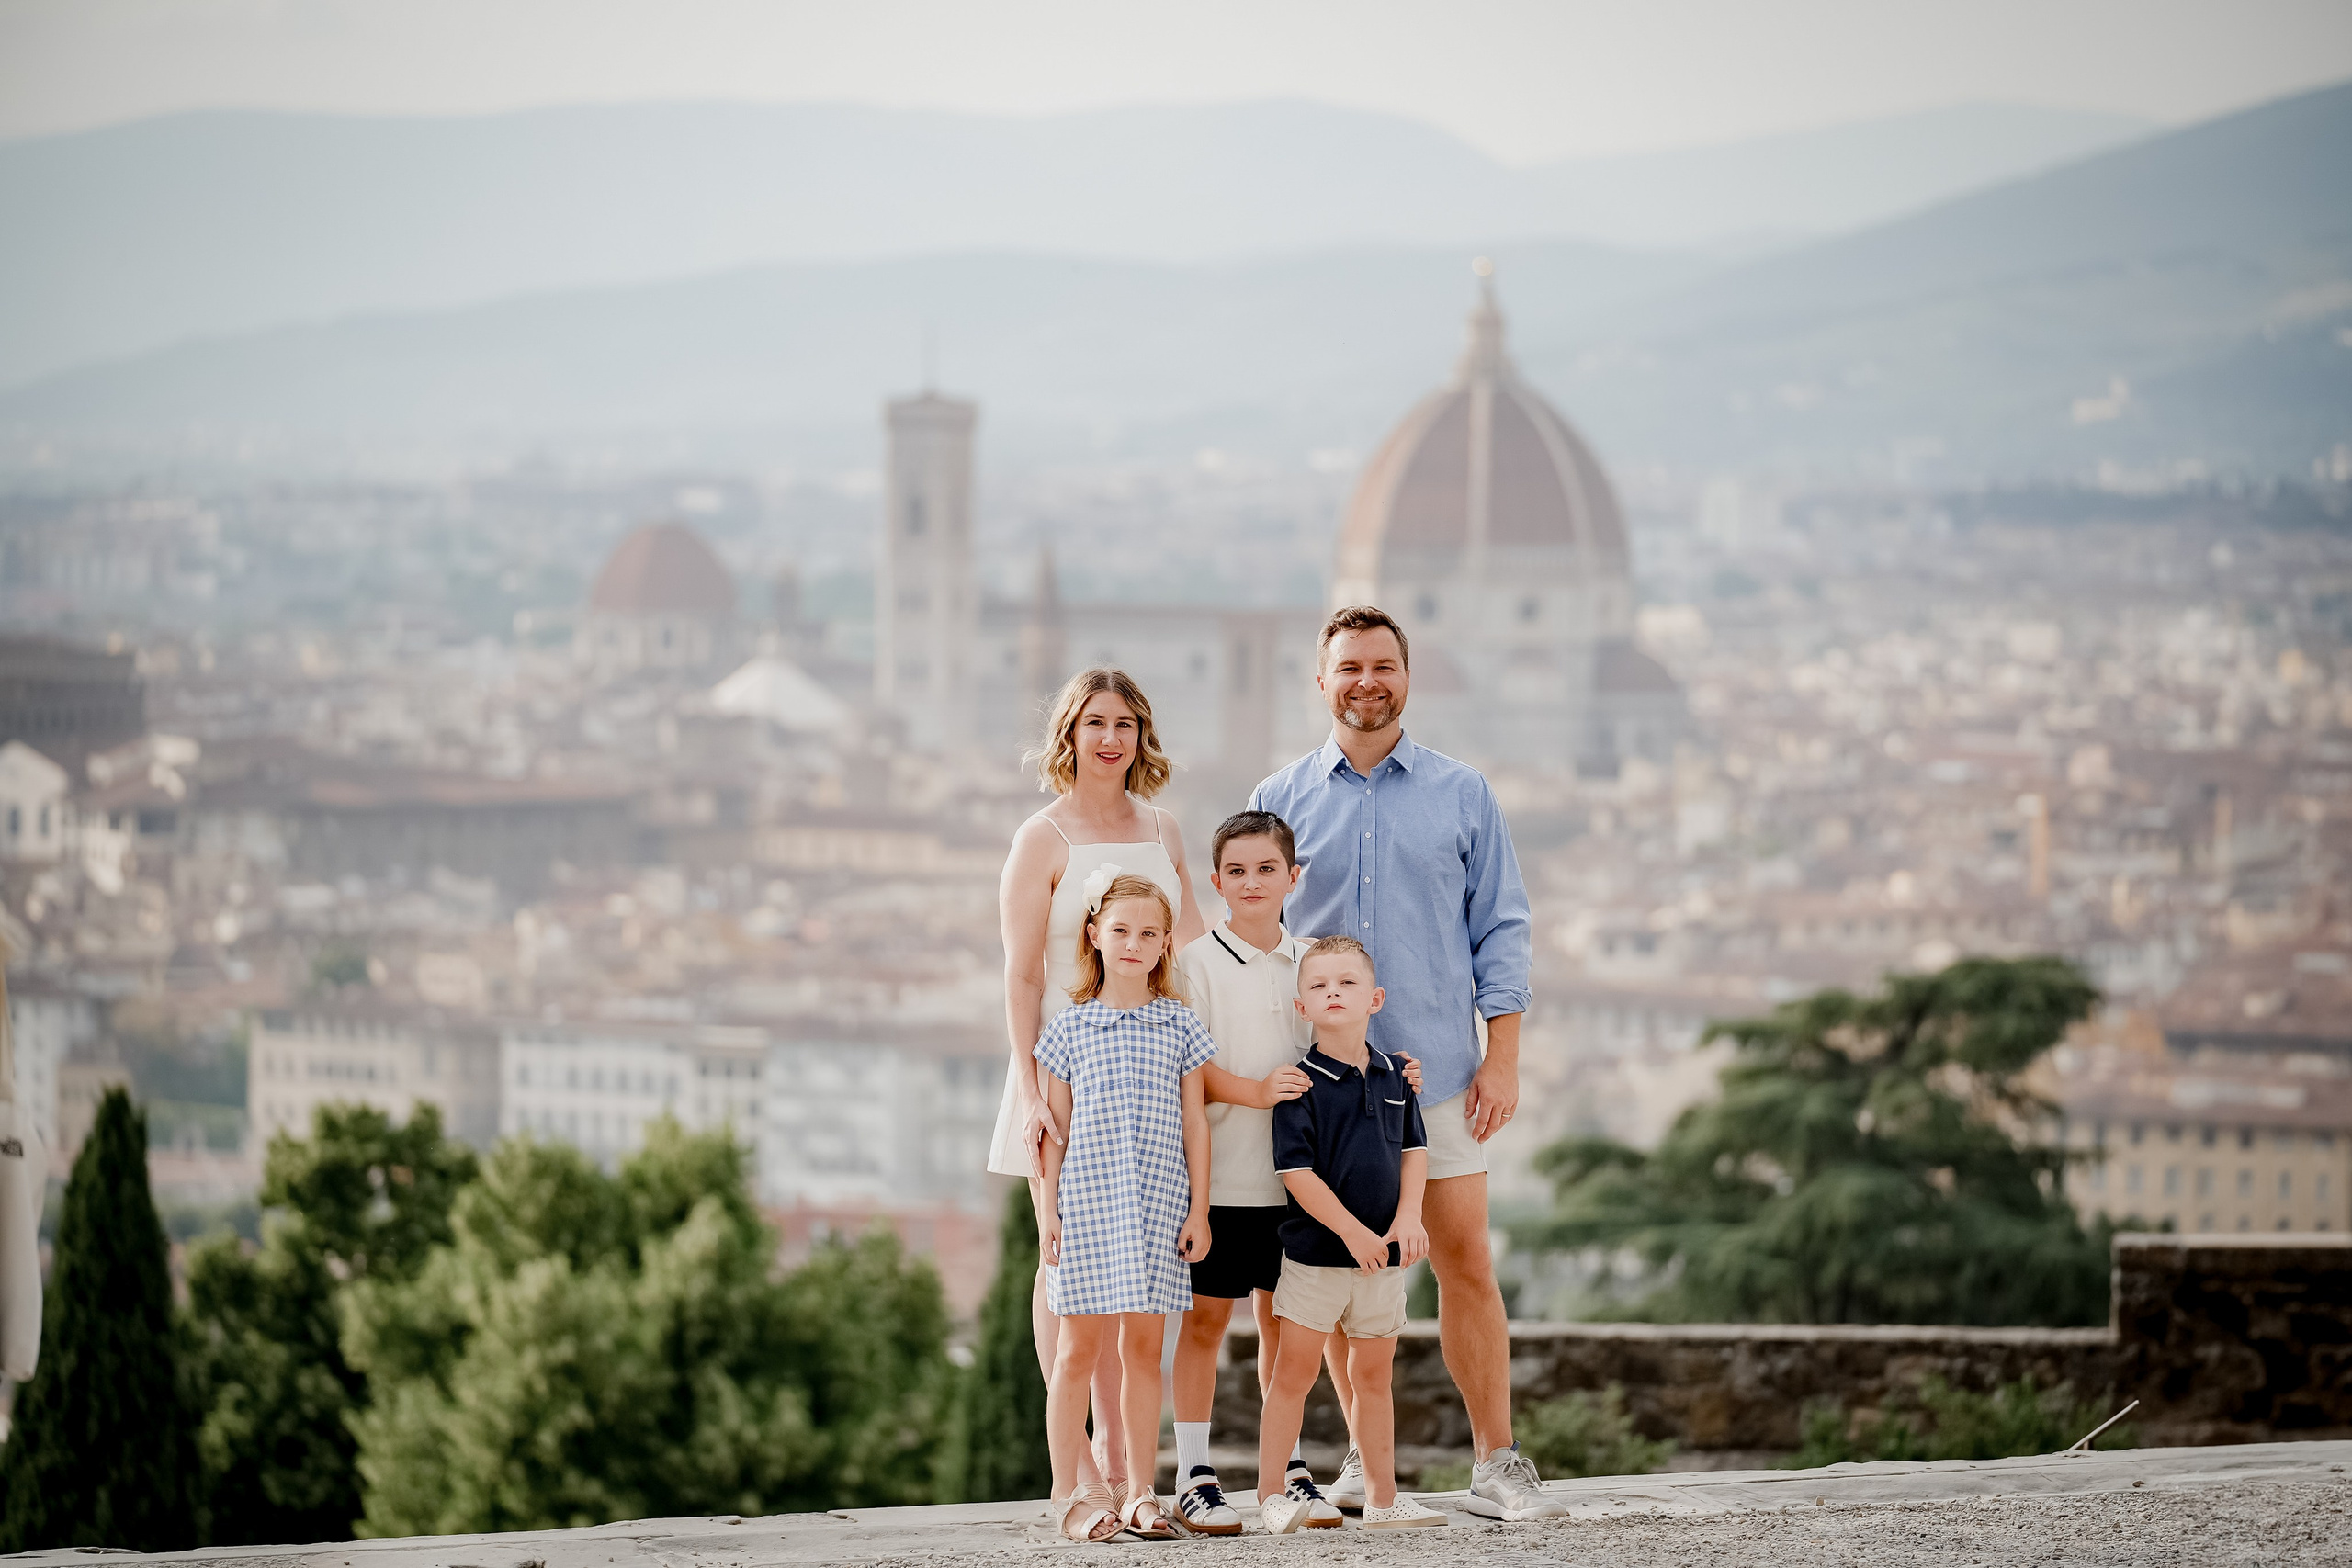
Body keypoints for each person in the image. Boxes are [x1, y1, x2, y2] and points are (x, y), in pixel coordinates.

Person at [1249, 605, 1565, 1522]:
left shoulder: (1464, 795)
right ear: (1322, 681)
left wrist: (1501, 1060)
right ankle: (1359, 1460)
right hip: (1324, 1082)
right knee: (1347, 1272)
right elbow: (1258, 937)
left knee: (1465, 1256)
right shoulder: (1279, 800)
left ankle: (1497, 1460)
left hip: (1440, 1073)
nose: (1366, 681)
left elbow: (1501, 928)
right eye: (1348, 666)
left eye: (1383, 664)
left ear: (1407, 676)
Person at [1168, 811, 1421, 1534]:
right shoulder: (1196, 962)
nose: (1253, 882)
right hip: (1223, 1177)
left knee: (1290, 1330)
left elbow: (1349, 1038)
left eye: (1267, 869)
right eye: (1237, 871)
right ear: (1217, 882)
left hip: (1303, 1190)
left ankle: (1291, 1472)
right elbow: (1189, 1068)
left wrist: (1396, 1067)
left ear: (1293, 877)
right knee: (1207, 1320)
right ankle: (1194, 1470)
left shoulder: (1313, 960)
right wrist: (1257, 1090)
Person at [990, 668, 1206, 1507]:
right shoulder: (1040, 837)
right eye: (1093, 723)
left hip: (1148, 1068)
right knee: (1063, 1258)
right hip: (1059, 1065)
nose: (1109, 738)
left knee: (1136, 1256)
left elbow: (1185, 954)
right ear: (1069, 736)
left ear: (1141, 734)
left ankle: (1126, 1455)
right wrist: (1029, 1086)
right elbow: (1018, 973)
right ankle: (1076, 1458)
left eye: (1124, 722)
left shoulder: (1164, 829)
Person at [1035, 873, 1216, 1543]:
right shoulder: (1068, 1029)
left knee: (1145, 1351)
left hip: (1159, 1211)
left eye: (1147, 933)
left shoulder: (1181, 1025)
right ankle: (1070, 1493)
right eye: (1120, 930)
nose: (1133, 944)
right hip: (1085, 1210)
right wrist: (1047, 1213)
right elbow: (1052, 1134)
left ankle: (1141, 1489)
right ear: (1094, 935)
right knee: (1076, 1353)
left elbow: (1195, 1124)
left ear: (1167, 942)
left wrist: (1199, 1210)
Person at [1257, 936, 1446, 1532]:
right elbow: (1297, 1172)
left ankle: (1384, 1498)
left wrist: (1408, 1217)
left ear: (1376, 998)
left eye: (1347, 982)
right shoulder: (1298, 1084)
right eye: (1318, 985)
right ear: (1301, 1006)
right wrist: (1353, 1231)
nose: (1333, 992)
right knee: (1293, 1375)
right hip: (1316, 1259)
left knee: (1374, 1378)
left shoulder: (1397, 1075)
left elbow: (1415, 1150)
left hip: (1381, 1265)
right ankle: (1271, 1495)